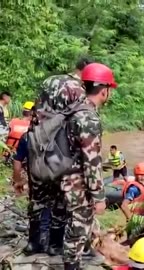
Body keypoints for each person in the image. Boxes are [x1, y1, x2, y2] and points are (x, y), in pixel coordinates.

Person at [24, 57, 93, 257]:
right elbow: (79, 122)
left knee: (37, 197)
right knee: (60, 199)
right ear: (86, 71)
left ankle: (33, 243)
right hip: (61, 150)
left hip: (38, 144)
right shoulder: (79, 90)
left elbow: (37, 113)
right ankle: (55, 245)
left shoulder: (48, 81)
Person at [62, 62, 117, 269]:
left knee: (76, 226)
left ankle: (76, 259)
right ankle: (72, 265)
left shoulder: (75, 109)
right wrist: (99, 198)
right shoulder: (88, 118)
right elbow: (91, 162)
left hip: (67, 176)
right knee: (77, 229)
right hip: (78, 182)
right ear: (104, 91)